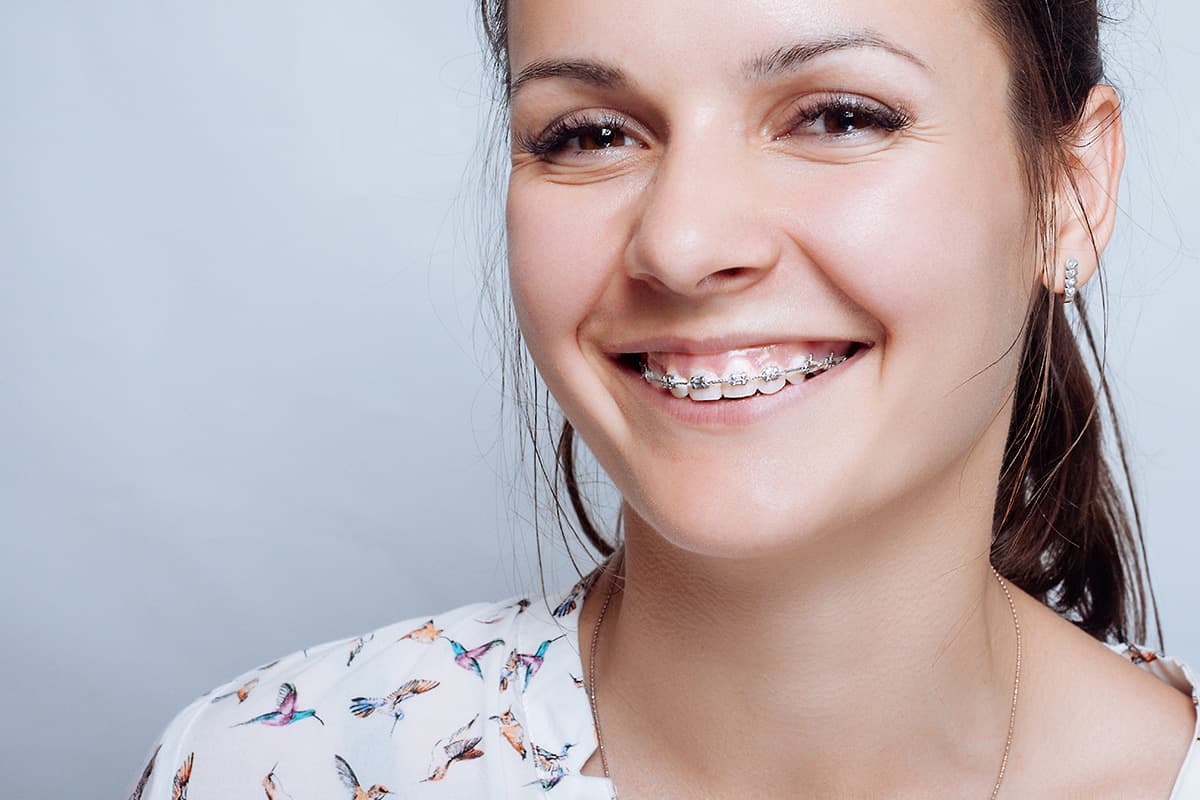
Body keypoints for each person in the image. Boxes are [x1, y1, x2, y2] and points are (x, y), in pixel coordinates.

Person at [128, 0, 1200, 797]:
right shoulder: (271, 766)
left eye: (836, 114)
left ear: (1070, 189)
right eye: (589, 133)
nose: (682, 243)